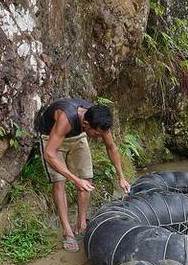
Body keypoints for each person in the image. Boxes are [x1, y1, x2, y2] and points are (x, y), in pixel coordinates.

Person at [37, 97, 130, 251]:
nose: (98, 137)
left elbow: (111, 147)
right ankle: (68, 232)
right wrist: (74, 180)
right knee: (59, 181)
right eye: (96, 134)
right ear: (86, 124)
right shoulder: (65, 118)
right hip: (52, 138)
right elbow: (49, 154)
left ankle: (81, 224)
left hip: (77, 136)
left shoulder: (98, 120)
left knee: (87, 177)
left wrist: (121, 177)